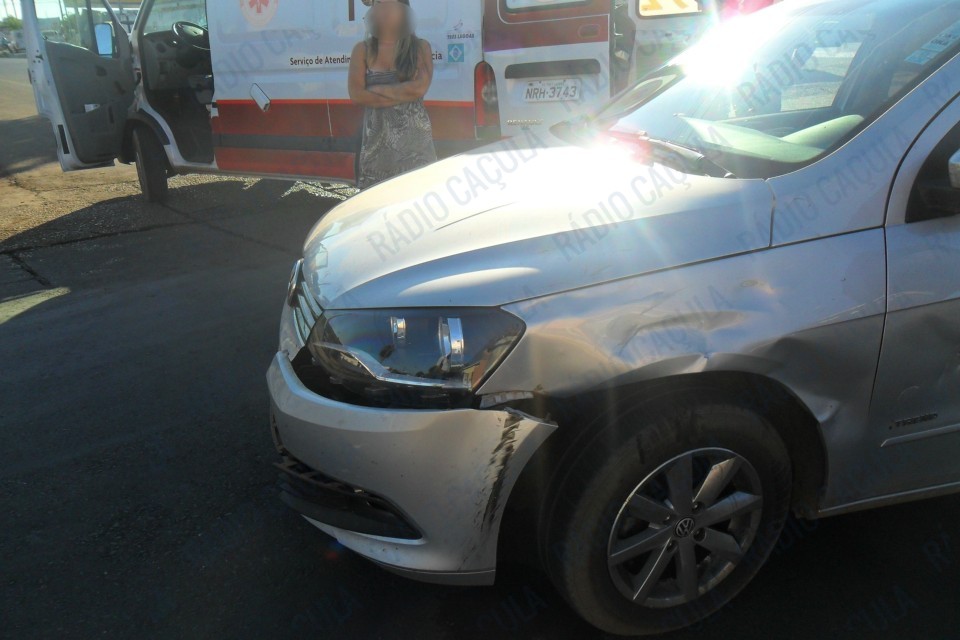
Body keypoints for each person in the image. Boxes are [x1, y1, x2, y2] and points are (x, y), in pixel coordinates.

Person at [348, 0, 436, 189]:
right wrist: (405, 91)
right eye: (379, 4)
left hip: (416, 152)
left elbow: (420, 88)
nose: (384, 10)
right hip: (375, 154)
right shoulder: (362, 50)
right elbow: (357, 95)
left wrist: (376, 91)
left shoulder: (421, 48)